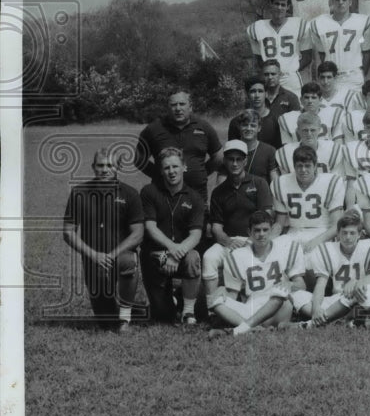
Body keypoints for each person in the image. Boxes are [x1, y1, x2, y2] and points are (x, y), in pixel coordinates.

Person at [62, 148, 144, 331]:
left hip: (120, 256)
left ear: (118, 168)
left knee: (128, 260)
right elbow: (68, 232)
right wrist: (94, 255)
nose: (105, 169)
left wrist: (112, 255)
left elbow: (138, 233)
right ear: (93, 167)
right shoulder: (79, 193)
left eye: (110, 165)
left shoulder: (130, 193)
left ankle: (125, 319)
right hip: (93, 260)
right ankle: (134, 312)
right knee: (106, 322)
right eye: (100, 165)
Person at [209, 211, 307, 336]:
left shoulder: (285, 248)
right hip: (252, 306)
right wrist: (223, 290)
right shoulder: (237, 256)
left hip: (278, 308)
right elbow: (233, 295)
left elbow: (302, 285)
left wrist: (289, 284)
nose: (261, 234)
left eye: (265, 230)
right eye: (257, 230)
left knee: (280, 294)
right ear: (249, 232)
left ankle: (241, 329)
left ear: (271, 230)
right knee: (216, 301)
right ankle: (253, 329)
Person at [201, 141, 274, 298]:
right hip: (228, 241)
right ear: (225, 161)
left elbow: (265, 219)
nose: (235, 163)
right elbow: (216, 228)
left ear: (245, 160)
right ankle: (212, 306)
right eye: (230, 159)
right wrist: (228, 242)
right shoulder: (219, 191)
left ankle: (243, 301)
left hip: (254, 240)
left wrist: (251, 240)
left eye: (239, 159)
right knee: (209, 257)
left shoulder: (259, 183)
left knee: (238, 260)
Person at [139, 147, 204, 325]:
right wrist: (172, 248)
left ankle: (188, 312)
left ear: (184, 167)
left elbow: (196, 235)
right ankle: (171, 298)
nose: (171, 172)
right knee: (162, 316)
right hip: (154, 255)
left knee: (193, 257)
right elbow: (150, 227)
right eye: (167, 168)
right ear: (161, 170)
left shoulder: (195, 197)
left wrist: (176, 254)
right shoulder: (149, 192)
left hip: (182, 255)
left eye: (175, 166)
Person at [296, 211, 370, 327]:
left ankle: (321, 321)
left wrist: (356, 283)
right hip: (337, 298)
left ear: (360, 234)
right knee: (298, 296)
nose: (348, 237)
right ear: (337, 234)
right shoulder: (327, 250)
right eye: (344, 233)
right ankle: (338, 318)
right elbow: (321, 285)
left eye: (352, 233)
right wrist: (316, 308)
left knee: (365, 297)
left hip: (360, 295)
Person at [136, 91, 223, 203]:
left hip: (197, 194)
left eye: (182, 104)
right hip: (163, 195)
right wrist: (158, 173)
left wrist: (202, 172)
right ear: (168, 108)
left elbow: (219, 156)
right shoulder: (153, 129)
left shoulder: (204, 127)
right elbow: (138, 158)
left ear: (190, 107)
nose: (178, 108)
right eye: (173, 105)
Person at [271, 144, 346, 252]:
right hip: (294, 233)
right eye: (299, 166)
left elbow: (336, 225)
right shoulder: (281, 183)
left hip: (322, 233)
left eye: (307, 165)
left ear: (315, 166)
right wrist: (268, 239)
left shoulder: (331, 183)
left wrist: (316, 241)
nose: (303, 170)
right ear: (294, 166)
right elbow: (280, 223)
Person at [246, 0, 313, 97]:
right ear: (270, 5)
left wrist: (291, 68)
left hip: (291, 77)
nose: (279, 8)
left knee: (296, 109)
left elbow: (307, 57)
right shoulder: (256, 28)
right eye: (276, 4)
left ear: (288, 7)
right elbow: (259, 59)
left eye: (283, 4)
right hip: (270, 78)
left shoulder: (299, 25)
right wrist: (272, 73)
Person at [309, 0, 370, 92]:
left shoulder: (362, 21)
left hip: (354, 76)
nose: (340, 2)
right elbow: (322, 54)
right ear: (332, 1)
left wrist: (361, 72)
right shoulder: (319, 23)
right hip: (332, 77)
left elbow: (367, 53)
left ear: (350, 2)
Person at [274, 111, 341, 175]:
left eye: (312, 130)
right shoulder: (286, 152)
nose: (309, 134)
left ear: (319, 130)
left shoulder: (332, 149)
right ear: (298, 131)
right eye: (305, 130)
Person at [227, 77, 282, 150]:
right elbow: (232, 151)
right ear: (247, 94)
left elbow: (279, 150)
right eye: (253, 91)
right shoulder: (236, 122)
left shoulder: (276, 121)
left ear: (266, 94)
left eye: (260, 91)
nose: (257, 95)